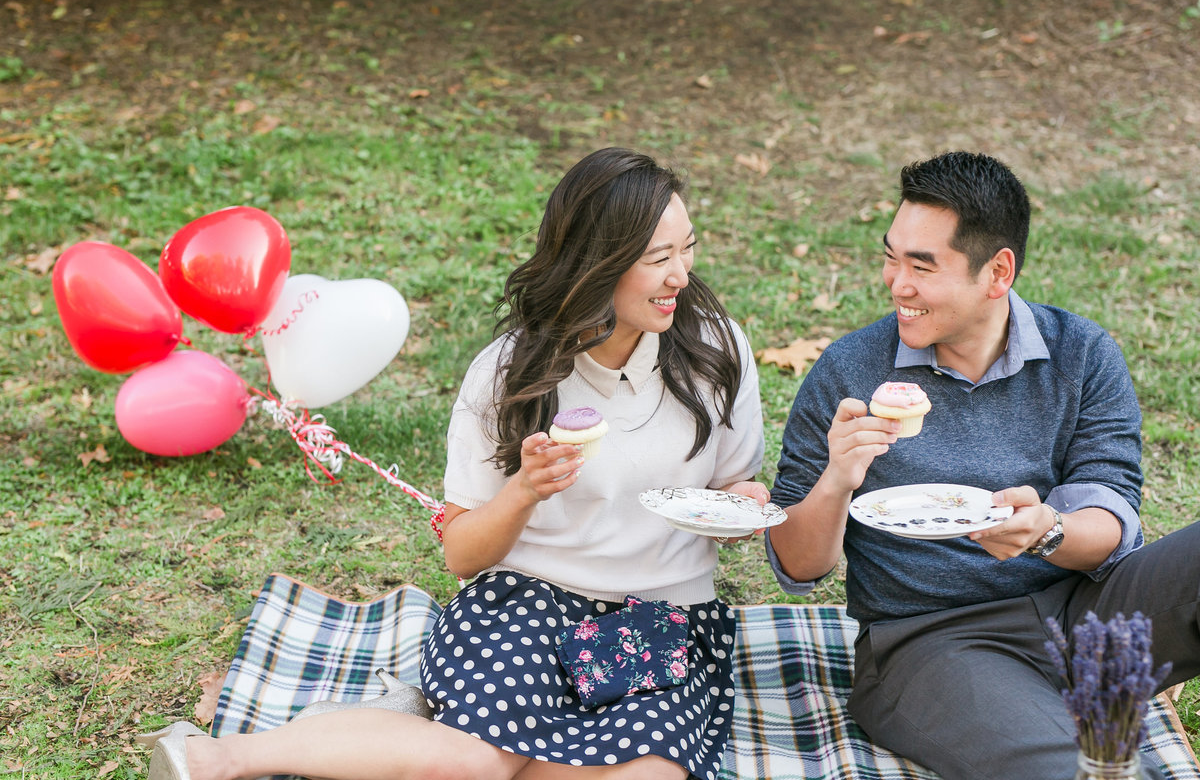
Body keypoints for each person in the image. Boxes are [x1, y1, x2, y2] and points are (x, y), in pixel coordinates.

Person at [137, 146, 767, 780]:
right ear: (594, 265)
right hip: (529, 604)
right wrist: (525, 489)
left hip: (662, 618)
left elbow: (730, 484)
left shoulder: (716, 350)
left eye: (687, 248)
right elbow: (463, 554)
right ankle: (219, 756)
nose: (681, 275)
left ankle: (394, 735)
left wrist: (746, 504)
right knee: (474, 764)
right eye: (658, 258)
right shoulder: (509, 373)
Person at [764, 151, 1199, 780]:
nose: (897, 284)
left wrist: (1047, 531)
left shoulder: (1082, 354)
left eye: (922, 266)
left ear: (998, 273)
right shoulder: (850, 372)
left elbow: (1111, 518)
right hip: (934, 643)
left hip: (1083, 609)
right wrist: (838, 477)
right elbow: (798, 567)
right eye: (892, 257)